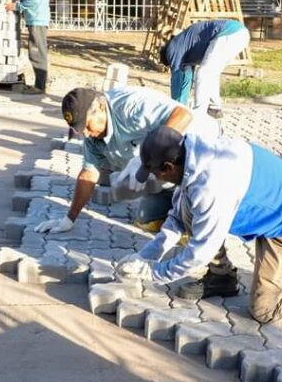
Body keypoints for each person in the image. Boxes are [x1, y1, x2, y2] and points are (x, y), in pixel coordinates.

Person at [115, 127, 282, 322]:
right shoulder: (196, 153)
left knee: (265, 311)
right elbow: (177, 219)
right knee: (188, 212)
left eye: (155, 173)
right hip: (270, 203)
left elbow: (198, 254)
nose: (157, 179)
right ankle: (222, 278)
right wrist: (145, 256)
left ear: (168, 166)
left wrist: (152, 273)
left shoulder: (209, 187)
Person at [38, 87, 234, 300]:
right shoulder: (92, 138)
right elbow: (88, 173)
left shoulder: (130, 107)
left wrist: (148, 154)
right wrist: (69, 219)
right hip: (162, 171)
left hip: (200, 153)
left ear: (100, 108)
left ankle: (221, 273)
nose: (85, 133)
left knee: (195, 213)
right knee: (148, 217)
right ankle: (177, 204)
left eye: (86, 126)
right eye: (79, 129)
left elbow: (183, 115)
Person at [159, 19, 251, 119]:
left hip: (228, 33)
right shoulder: (184, 46)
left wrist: (175, 109)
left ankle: (199, 113)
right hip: (241, 33)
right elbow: (186, 78)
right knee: (212, 73)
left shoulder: (172, 49)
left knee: (203, 73)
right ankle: (214, 109)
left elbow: (178, 77)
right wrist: (181, 106)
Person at [4, 0, 50, 94]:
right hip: (34, 18)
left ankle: (40, 87)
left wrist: (17, 6)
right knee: (34, 51)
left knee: (37, 52)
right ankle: (40, 84)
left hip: (37, 19)